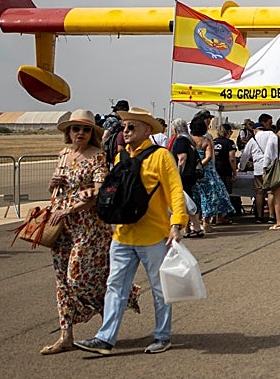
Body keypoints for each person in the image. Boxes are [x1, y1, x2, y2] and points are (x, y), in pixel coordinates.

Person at [73, 107, 188, 355]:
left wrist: (177, 223)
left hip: (153, 235)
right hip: (123, 235)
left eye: (131, 127)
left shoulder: (161, 157)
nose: (125, 131)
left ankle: (162, 335)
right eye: (124, 127)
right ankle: (105, 338)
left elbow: (175, 191)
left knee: (159, 288)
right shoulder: (120, 157)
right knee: (115, 286)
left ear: (147, 130)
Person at [40, 109, 140, 354]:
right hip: (61, 226)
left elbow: (99, 192)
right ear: (68, 132)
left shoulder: (96, 157)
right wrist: (53, 186)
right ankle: (66, 336)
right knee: (62, 281)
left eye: (85, 129)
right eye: (76, 129)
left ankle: (111, 308)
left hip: (88, 226)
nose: (80, 133)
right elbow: (57, 190)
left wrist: (72, 208)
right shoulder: (64, 154)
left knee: (77, 278)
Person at [190, 117, 234, 232]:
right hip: (207, 172)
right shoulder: (206, 141)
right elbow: (209, 156)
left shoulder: (189, 140)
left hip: (193, 173)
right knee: (209, 198)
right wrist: (200, 165)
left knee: (196, 197)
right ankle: (206, 223)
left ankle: (196, 222)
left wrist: (194, 167)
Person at [168, 118, 204, 238]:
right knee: (188, 201)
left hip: (183, 176)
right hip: (190, 175)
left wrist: (177, 175)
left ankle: (195, 227)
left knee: (185, 202)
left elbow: (182, 158)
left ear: (175, 128)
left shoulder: (180, 141)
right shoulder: (189, 141)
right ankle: (192, 227)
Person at [237, 114, 276, 223]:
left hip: (258, 169)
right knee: (270, 192)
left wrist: (241, 167)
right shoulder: (271, 134)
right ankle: (272, 216)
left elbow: (245, 155)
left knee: (259, 193)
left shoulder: (253, 139)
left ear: (255, 130)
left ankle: (259, 216)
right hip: (270, 167)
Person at [213, 123, 239, 221]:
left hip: (214, 170)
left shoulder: (213, 142)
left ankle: (214, 216)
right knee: (224, 193)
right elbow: (232, 158)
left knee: (215, 193)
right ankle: (221, 217)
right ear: (228, 132)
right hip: (225, 170)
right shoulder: (229, 143)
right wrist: (234, 172)